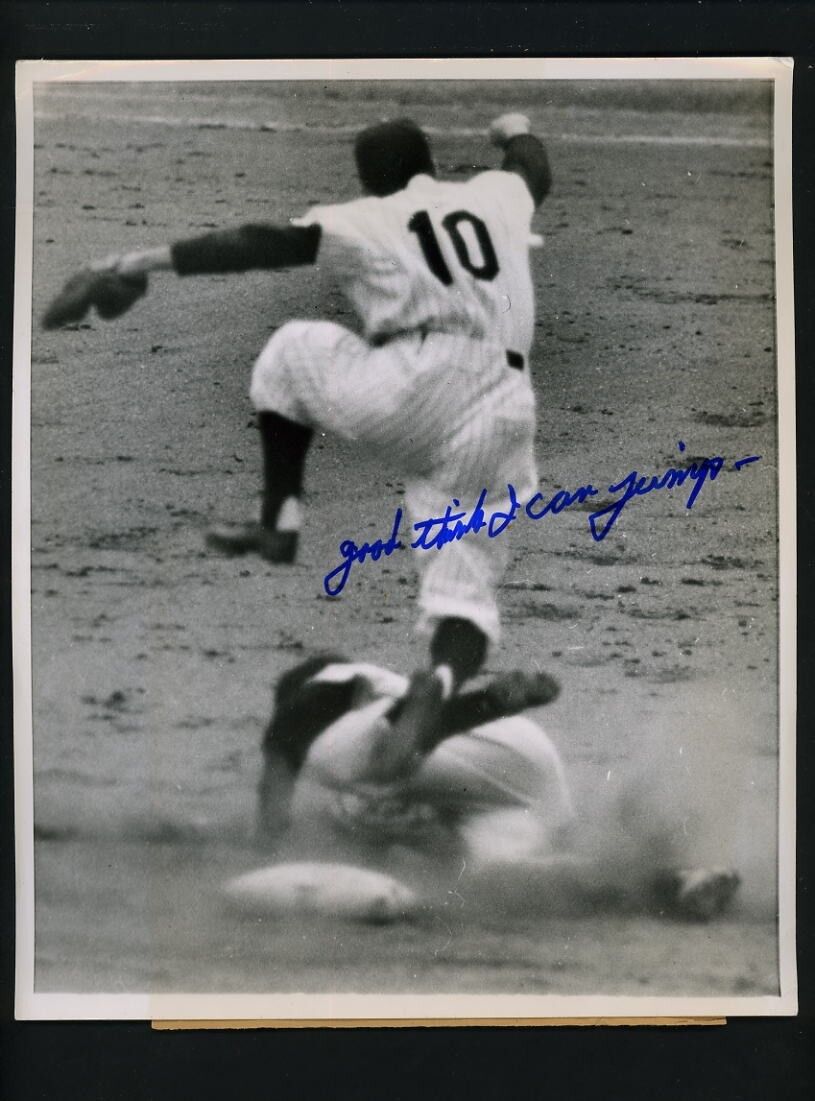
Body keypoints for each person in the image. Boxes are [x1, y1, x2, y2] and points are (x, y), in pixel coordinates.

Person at [45, 112, 552, 694]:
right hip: (505, 405)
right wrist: (514, 129)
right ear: (431, 167)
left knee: (291, 351)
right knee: (463, 584)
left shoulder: (365, 216)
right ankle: (440, 683)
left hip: (415, 387)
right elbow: (531, 167)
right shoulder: (494, 196)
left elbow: (259, 244)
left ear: (366, 182)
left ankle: (279, 523)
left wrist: (133, 262)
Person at [255, 654, 741, 922]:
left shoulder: (336, 694)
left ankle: (484, 702)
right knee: (509, 874)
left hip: (478, 742)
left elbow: (302, 726)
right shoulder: (358, 741)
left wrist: (266, 838)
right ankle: (673, 877)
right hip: (507, 773)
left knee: (344, 775)